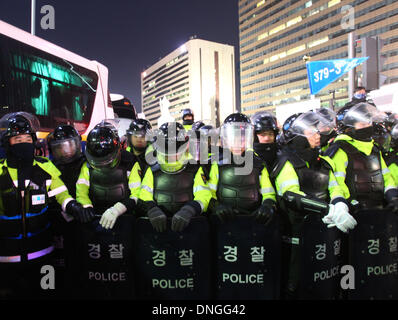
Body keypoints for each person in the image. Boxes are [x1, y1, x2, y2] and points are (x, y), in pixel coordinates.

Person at [0, 112, 86, 299]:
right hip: (6, 256)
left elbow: (61, 193)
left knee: (47, 294)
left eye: (26, 138)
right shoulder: (0, 169)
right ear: (8, 143)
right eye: (17, 139)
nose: (23, 142)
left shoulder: (45, 166)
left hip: (43, 253)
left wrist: (72, 206)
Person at [272, 111, 356, 299]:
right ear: (298, 137)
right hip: (297, 236)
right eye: (312, 132)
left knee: (326, 279)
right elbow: (291, 195)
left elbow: (335, 189)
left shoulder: (324, 161)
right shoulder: (287, 162)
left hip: (325, 232)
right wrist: (327, 209)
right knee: (296, 284)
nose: (318, 135)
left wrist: (340, 205)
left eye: (317, 131)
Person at [138, 122, 212, 233]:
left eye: (175, 153)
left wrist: (190, 210)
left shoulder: (195, 168)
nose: (171, 157)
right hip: (158, 229)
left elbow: (204, 195)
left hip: (190, 227)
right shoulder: (152, 170)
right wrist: (152, 209)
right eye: (166, 154)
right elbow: (144, 194)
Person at [325, 103, 398, 211]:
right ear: (348, 128)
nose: (368, 126)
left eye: (368, 122)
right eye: (362, 124)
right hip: (353, 214)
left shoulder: (374, 149)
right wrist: (347, 204)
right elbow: (337, 185)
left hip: (380, 211)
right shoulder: (340, 150)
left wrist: (393, 196)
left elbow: (387, 178)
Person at [207, 113, 277, 226]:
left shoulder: (258, 164)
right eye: (233, 138)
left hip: (253, 221)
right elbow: (208, 192)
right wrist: (216, 206)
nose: (238, 143)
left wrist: (268, 205)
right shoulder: (215, 163)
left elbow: (268, 193)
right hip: (223, 222)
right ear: (226, 138)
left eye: (242, 138)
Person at [76, 122, 142, 229]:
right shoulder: (86, 165)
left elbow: (137, 193)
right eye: (98, 163)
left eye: (107, 162)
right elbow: (81, 191)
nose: (103, 167)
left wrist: (118, 209)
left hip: (125, 218)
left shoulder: (130, 162)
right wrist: (86, 207)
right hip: (95, 217)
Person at [46, 124, 86, 298]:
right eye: (61, 147)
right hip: (59, 224)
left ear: (78, 145)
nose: (67, 151)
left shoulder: (87, 164)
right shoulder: (50, 168)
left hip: (83, 221)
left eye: (70, 145)